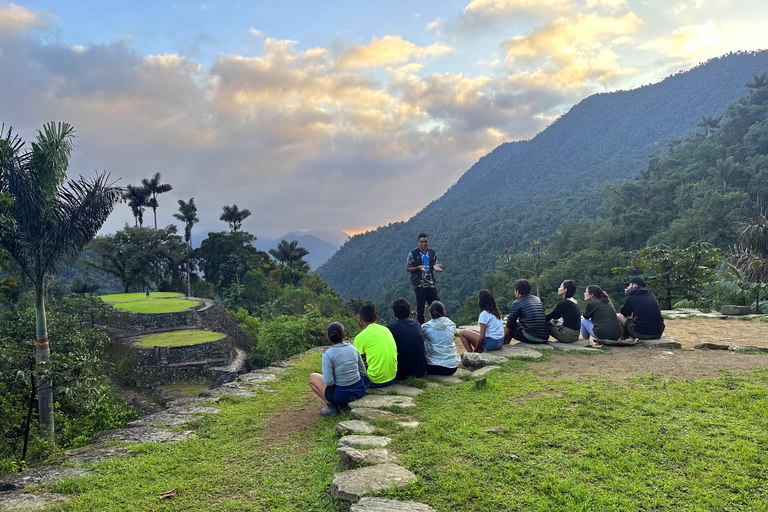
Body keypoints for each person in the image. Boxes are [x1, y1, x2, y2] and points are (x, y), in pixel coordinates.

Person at [308, 322, 366, 416]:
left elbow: (329, 382)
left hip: (342, 397)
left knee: (312, 377)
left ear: (328, 337)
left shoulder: (328, 354)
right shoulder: (353, 349)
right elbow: (363, 372)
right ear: (344, 335)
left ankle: (331, 407)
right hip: (360, 391)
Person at [354, 304, 397, 388]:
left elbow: (357, 360)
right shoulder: (386, 329)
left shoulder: (360, 337)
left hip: (374, 380)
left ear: (360, 319)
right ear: (376, 317)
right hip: (392, 377)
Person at [406, 233, 443, 324]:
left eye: (425, 241)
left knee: (437, 305)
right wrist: (417, 268)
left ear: (428, 241)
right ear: (418, 242)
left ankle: (440, 324)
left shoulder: (432, 253)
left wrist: (435, 266)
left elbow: (434, 263)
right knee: (420, 307)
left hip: (430, 283)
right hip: (419, 283)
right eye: (422, 242)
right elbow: (407, 268)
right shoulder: (413, 254)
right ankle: (421, 328)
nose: (424, 244)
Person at [387, 297, 427, 380]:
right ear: (409, 312)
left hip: (402, 373)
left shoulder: (391, 329)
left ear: (394, 314)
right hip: (420, 371)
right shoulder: (417, 325)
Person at [503, 279, 550, 344]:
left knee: (511, 324)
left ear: (517, 292)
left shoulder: (516, 303)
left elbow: (509, 325)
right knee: (514, 323)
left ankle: (505, 345)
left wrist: (501, 339)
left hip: (531, 336)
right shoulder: (537, 299)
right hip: (544, 336)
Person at [422, 301, 460, 375]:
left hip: (432, 367)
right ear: (444, 313)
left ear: (430, 314)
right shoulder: (452, 325)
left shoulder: (425, 327)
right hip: (452, 367)